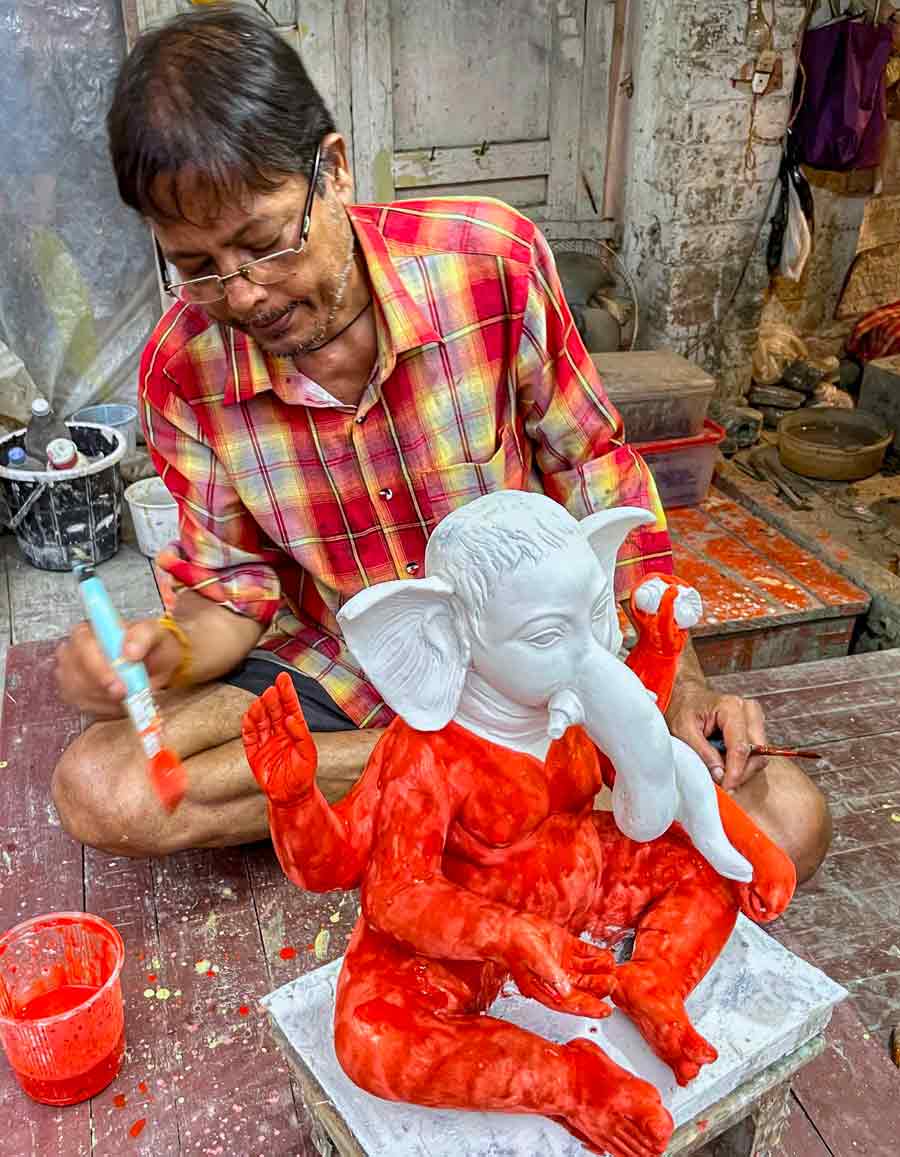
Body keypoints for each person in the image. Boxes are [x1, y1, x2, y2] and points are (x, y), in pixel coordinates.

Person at [52, 5, 830, 881]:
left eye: (266, 243)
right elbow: (229, 599)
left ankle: (456, 791)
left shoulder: (488, 262)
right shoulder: (183, 370)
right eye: (196, 266)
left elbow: (597, 476)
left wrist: (678, 684)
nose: (245, 294)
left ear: (335, 171)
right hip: (353, 672)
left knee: (786, 826)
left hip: (540, 666)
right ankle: (488, 786)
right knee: (103, 785)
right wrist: (165, 649)